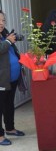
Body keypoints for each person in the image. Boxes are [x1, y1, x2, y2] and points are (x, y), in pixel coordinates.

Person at [0, 10, 25, 146]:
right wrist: (9, 41)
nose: (1, 23)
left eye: (3, 20)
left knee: (9, 104)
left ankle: (10, 128)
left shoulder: (4, 33)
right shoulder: (6, 37)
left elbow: (10, 48)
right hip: (1, 79)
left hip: (13, 77)